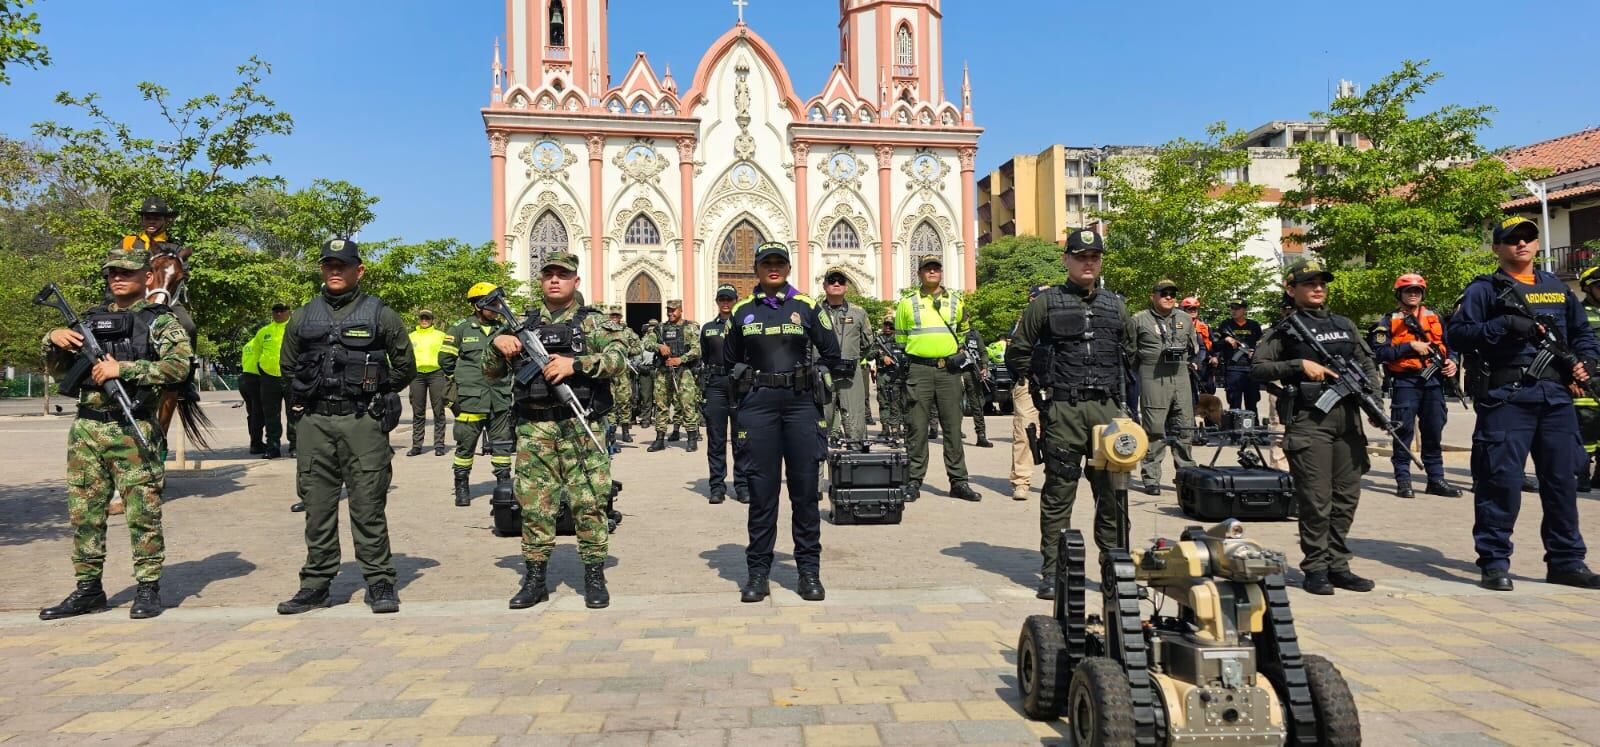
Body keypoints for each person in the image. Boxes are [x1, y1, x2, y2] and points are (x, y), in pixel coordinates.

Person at [38, 248, 193, 620]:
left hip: (132, 425)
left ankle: (147, 588)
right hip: (87, 429)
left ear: (148, 278)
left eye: (125, 272)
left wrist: (123, 369)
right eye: (111, 274)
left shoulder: (161, 322)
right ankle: (88, 589)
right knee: (84, 514)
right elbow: (57, 370)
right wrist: (53, 338)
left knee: (143, 512)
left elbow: (178, 368)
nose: (117, 279)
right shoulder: (89, 320)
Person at [1447, 216, 1600, 592]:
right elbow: (1459, 334)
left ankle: (1566, 561)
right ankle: (1495, 562)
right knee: (1501, 482)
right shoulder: (1484, 290)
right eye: (1512, 239)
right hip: (1508, 397)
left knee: (1563, 482)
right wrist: (1505, 327)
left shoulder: (1555, 288)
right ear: (1497, 247)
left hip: (1556, 398)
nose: (1522, 244)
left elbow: (1582, 333)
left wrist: (1588, 362)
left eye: (1529, 238)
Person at [275, 239, 414, 615]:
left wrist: (374, 392)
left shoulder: (381, 314)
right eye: (328, 265)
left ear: (359, 270)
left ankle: (380, 581)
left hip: (361, 421)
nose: (335, 271)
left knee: (368, 503)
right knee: (317, 506)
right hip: (315, 422)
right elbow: (287, 368)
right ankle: (316, 584)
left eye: (343, 265)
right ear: (321, 269)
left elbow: (405, 368)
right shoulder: (303, 316)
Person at [487, 252, 627, 610]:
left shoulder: (594, 324)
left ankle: (594, 575)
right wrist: (496, 345)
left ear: (575, 282)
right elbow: (491, 372)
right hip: (535, 428)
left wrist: (575, 364)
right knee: (535, 506)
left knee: (590, 502)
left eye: (562, 275)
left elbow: (619, 359)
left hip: (581, 425)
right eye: (548, 274)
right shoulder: (520, 324)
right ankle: (535, 579)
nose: (554, 280)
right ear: (540, 281)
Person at [1005, 229, 1135, 599]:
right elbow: (1018, 351)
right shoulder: (1045, 304)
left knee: (1113, 494)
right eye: (1081, 256)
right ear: (1067, 260)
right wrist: (1042, 384)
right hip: (1064, 408)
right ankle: (1052, 572)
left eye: (1095, 256)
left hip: (1109, 411)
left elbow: (1131, 355)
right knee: (1059, 493)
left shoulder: (1116, 305)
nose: (1089, 262)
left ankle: (1116, 572)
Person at [723, 242, 843, 602]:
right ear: (757, 269)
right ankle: (758, 574)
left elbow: (833, 354)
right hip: (758, 406)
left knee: (805, 492)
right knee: (762, 494)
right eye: (766, 263)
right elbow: (729, 360)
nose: (773, 268)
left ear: (788, 268)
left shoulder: (807, 306)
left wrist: (815, 374)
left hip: (800, 406)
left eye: (779, 263)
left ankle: (808, 572)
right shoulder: (743, 310)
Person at [1252, 257, 1379, 596]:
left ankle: (1339, 565)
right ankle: (1316, 568)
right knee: (1316, 499)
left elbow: (1367, 364)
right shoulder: (1285, 330)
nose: (1318, 287)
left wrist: (1375, 403)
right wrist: (1299, 364)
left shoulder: (1344, 324)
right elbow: (1258, 368)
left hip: (1348, 419)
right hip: (1311, 420)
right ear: (1291, 289)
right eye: (1309, 283)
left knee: (1346, 498)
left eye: (1322, 282)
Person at [895, 255, 981, 502]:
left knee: (953, 427)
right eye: (927, 269)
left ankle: (959, 482)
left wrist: (961, 353)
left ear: (941, 272)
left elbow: (966, 333)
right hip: (918, 370)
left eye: (936, 268)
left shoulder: (956, 301)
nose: (932, 272)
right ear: (919, 273)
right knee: (917, 428)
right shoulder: (906, 303)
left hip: (949, 371)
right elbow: (901, 339)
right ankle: (913, 481)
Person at [1373, 274, 1461, 498]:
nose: (1413, 294)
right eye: (1408, 290)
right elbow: (1379, 353)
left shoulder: (1435, 317)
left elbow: (1451, 345)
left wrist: (1453, 361)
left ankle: (1436, 480)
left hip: (1433, 382)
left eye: (1417, 291)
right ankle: (1403, 481)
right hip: (1406, 382)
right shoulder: (1387, 321)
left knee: (1433, 431)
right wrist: (1410, 346)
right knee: (1403, 431)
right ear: (1399, 294)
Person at [441, 284, 514, 508]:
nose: (496, 307)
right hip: (470, 399)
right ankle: (462, 486)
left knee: (502, 446)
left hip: (499, 397)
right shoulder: (461, 329)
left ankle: (504, 485)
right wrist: (464, 381)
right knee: (465, 445)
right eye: (491, 304)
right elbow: (445, 360)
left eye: (497, 303)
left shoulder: (504, 329)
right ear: (477, 305)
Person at [1129, 279, 1201, 495]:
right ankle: (1151, 478)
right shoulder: (1139, 320)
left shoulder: (1185, 318)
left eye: (1172, 293)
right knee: (1155, 429)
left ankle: (1186, 475)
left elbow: (1193, 347)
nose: (1168, 297)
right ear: (1153, 296)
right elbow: (1129, 352)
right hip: (1153, 376)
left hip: (1180, 376)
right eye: (1163, 293)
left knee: (1185, 427)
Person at [700, 284, 752, 504]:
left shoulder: (744, 326)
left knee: (742, 439)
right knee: (716, 439)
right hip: (716, 385)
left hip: (739, 385)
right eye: (721, 299)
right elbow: (704, 355)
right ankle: (717, 487)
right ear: (717, 302)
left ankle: (742, 486)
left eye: (729, 299)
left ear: (735, 301)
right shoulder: (708, 328)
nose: (725, 303)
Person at [1008, 285, 1052, 502]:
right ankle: (1021, 481)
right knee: (1025, 431)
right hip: (1028, 382)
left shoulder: (1059, 320)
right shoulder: (1022, 324)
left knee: (1058, 432)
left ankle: (1055, 480)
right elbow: (1013, 355)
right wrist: (1027, 373)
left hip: (1057, 382)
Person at [819, 269, 872, 442]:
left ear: (846, 287)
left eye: (841, 281)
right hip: (821, 374)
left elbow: (867, 343)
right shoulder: (813, 311)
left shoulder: (858, 313)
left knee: (855, 426)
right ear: (824, 285)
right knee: (818, 428)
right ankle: (817, 469)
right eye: (832, 280)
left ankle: (855, 465)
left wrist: (850, 356)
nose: (836, 284)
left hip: (850, 374)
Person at [645, 300, 702, 452]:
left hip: (683, 372)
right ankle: (659, 439)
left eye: (673, 310)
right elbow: (646, 343)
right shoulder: (660, 328)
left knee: (687, 405)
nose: (670, 313)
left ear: (681, 310)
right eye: (668, 310)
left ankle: (691, 438)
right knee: (661, 406)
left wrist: (680, 359)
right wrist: (659, 346)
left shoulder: (689, 328)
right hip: (663, 372)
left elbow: (696, 350)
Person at [249, 304, 291, 461]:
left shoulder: (294, 328)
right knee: (271, 414)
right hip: (269, 378)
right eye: (276, 311)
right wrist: (260, 372)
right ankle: (273, 447)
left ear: (289, 312)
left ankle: (294, 446)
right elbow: (256, 353)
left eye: (282, 310)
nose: (279, 313)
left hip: (290, 376)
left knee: (294, 412)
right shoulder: (264, 332)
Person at [407, 310, 449, 457]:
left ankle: (439, 445)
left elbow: (448, 354)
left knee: (439, 411)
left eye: (427, 318)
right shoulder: (411, 336)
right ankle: (417, 445)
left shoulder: (440, 336)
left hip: (436, 374)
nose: (424, 320)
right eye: (422, 318)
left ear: (432, 320)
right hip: (417, 376)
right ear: (419, 320)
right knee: (418, 412)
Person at [1213, 298, 1264, 416]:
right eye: (1232, 308)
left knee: (1252, 403)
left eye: (1237, 308)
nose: (1234, 311)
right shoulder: (1226, 325)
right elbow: (1215, 345)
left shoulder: (1254, 325)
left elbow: (1262, 344)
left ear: (1244, 310)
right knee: (1234, 403)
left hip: (1250, 368)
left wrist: (1254, 352)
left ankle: (1253, 429)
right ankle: (1234, 430)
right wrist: (1226, 339)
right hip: (1233, 368)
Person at [1575, 267, 1600, 492]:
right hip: (1588, 381)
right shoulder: (1579, 313)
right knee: (1586, 429)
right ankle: (1581, 475)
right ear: (1588, 288)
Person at [606, 305, 644, 444]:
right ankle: (611, 433)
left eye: (617, 316)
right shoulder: (604, 332)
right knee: (610, 403)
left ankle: (626, 431)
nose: (615, 318)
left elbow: (639, 347)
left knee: (624, 402)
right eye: (612, 316)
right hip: (608, 372)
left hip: (623, 373)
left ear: (621, 318)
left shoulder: (627, 332)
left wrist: (626, 351)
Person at [872, 316, 907, 441]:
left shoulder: (900, 338)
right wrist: (881, 356)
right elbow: (870, 355)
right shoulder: (878, 340)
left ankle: (898, 428)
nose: (887, 327)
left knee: (900, 402)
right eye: (885, 325)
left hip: (899, 374)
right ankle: (885, 428)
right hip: (883, 375)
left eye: (890, 325)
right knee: (883, 401)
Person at [962, 327, 994, 448]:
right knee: (955, 406)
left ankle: (981, 435)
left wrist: (984, 366)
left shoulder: (974, 334)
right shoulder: (953, 331)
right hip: (957, 373)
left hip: (973, 373)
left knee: (977, 405)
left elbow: (983, 352)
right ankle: (954, 433)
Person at [1181, 296, 1215, 400]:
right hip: (1184, 365)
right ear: (1183, 310)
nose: (1193, 311)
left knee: (1208, 395)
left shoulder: (1204, 326)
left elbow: (1207, 346)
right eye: (1190, 309)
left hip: (1202, 365)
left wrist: (1214, 357)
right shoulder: (1178, 326)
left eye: (1195, 308)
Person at [239, 329, 264, 455]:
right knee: (259, 414)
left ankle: (254, 441)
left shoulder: (247, 344)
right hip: (256, 380)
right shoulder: (262, 343)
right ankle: (256, 444)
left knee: (252, 413)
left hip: (244, 380)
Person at [636, 319, 660, 429]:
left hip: (657, 370)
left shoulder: (660, 340)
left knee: (660, 396)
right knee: (646, 396)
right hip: (645, 371)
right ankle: (646, 418)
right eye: (650, 326)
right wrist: (640, 366)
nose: (652, 328)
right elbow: (637, 358)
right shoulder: (642, 342)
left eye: (654, 326)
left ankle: (660, 419)